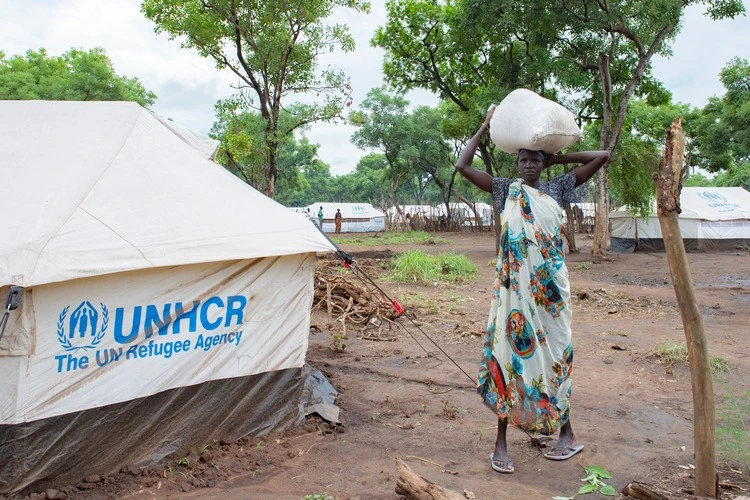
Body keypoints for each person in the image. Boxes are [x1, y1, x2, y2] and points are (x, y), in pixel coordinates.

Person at [455, 104, 609, 473]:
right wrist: (484, 125)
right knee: (511, 360)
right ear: (516, 163)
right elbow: (462, 166)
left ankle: (566, 435)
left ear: (543, 163)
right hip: (514, 299)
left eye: (535, 160)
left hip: (551, 297)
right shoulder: (506, 190)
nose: (528, 165)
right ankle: (500, 445)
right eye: (523, 159)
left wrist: (559, 158)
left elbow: (602, 155)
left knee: (555, 361)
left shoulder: (557, 187)